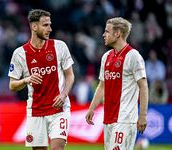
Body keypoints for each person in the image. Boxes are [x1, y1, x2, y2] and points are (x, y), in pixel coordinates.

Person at [8, 9, 75, 150]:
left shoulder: (59, 46)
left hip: (59, 108)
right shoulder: (20, 54)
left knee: (57, 148)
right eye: (45, 25)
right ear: (34, 27)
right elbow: (12, 85)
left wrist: (63, 94)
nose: (50, 29)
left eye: (50, 25)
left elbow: (70, 75)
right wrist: (26, 80)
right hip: (35, 110)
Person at [85, 17, 148, 150]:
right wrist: (92, 108)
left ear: (117, 33)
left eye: (107, 31)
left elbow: (143, 86)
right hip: (108, 118)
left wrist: (142, 116)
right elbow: (102, 86)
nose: (104, 35)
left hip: (125, 118)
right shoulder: (106, 56)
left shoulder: (133, 56)